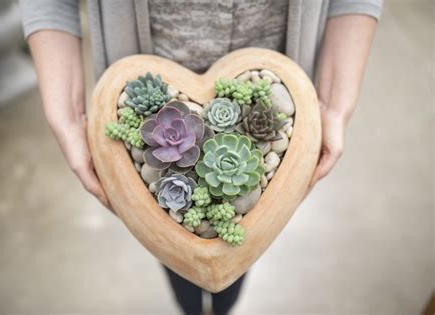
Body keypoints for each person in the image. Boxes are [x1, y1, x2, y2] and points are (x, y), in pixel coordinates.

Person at [19, 1, 383, 314]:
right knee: (171, 250)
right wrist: (65, 113)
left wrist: (334, 105)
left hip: (278, 66)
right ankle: (191, 306)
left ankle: (224, 304)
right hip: (142, 67)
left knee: (244, 246)